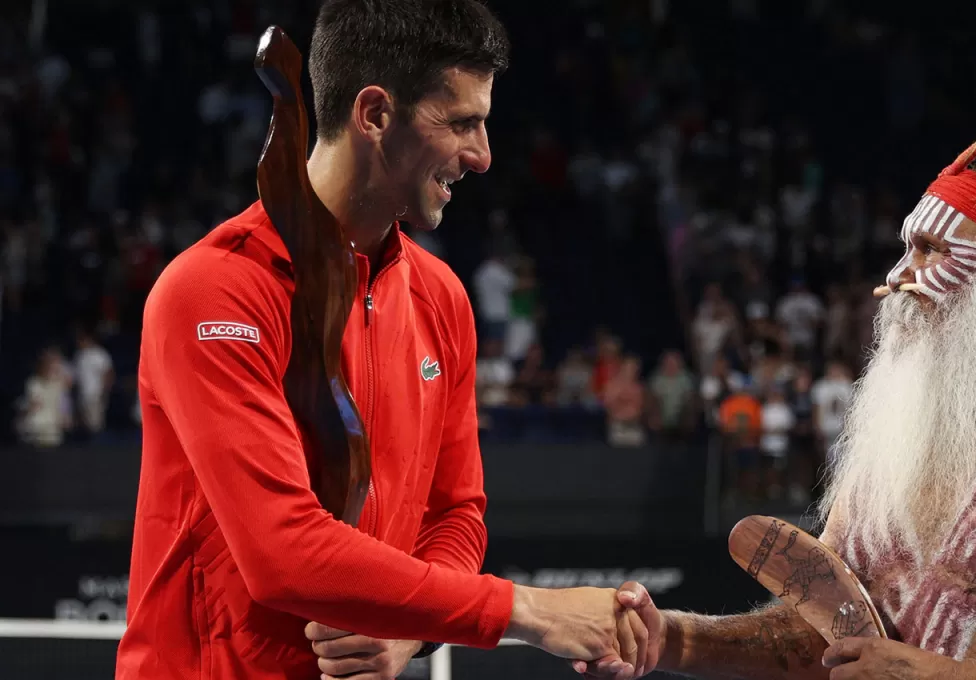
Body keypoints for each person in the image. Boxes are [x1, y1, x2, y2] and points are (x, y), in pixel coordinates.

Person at [584, 61, 976, 680]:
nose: (895, 280)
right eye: (906, 249)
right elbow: (823, 634)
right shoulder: (908, 433)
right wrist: (675, 639)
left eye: (931, 251)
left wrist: (946, 677)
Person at [117, 2, 652, 679]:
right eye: (462, 122)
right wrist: (533, 612)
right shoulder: (214, 291)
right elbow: (283, 554)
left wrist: (409, 633)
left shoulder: (443, 299)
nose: (483, 157)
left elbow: (455, 514)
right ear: (374, 115)